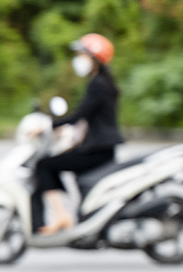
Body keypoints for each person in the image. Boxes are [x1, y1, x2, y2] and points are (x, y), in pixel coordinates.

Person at [31, 33, 123, 234]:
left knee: (44, 165)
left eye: (82, 54)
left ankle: (62, 216)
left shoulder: (98, 84)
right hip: (102, 148)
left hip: (97, 151)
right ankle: (67, 214)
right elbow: (88, 119)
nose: (79, 59)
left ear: (94, 59)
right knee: (53, 165)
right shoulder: (103, 82)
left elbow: (79, 115)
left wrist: (48, 126)